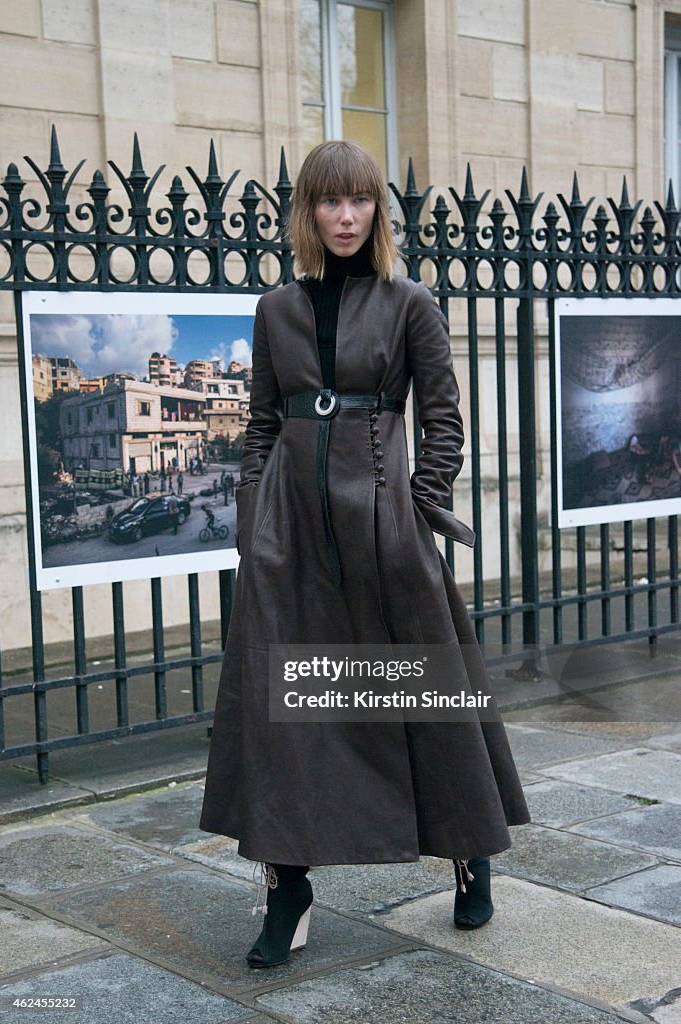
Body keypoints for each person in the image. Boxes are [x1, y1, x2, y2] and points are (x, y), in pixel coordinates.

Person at [199, 140, 530, 969]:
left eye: (359, 202)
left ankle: (466, 850)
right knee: (283, 706)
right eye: (328, 202)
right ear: (307, 211)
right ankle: (287, 887)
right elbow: (263, 422)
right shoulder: (275, 309)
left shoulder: (408, 300)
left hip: (384, 525)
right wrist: (252, 520)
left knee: (424, 689)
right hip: (288, 531)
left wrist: (415, 506)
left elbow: (443, 419)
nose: (345, 217)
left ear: (377, 210)